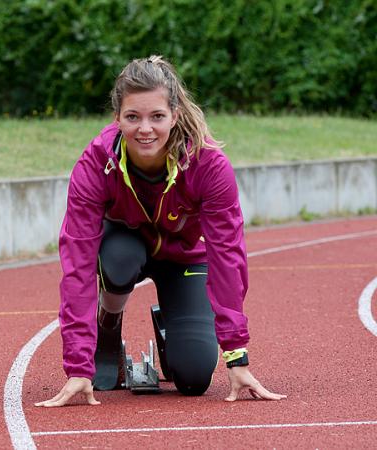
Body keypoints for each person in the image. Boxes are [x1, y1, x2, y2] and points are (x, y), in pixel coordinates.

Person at [35, 55, 286, 408]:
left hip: (184, 256)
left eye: (157, 116)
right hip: (124, 247)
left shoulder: (208, 164)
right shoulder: (95, 163)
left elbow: (227, 255)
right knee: (119, 262)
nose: (145, 129)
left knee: (195, 377)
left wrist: (235, 354)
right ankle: (109, 323)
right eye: (132, 117)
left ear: (174, 115)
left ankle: (172, 328)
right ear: (117, 118)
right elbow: (77, 262)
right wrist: (78, 364)